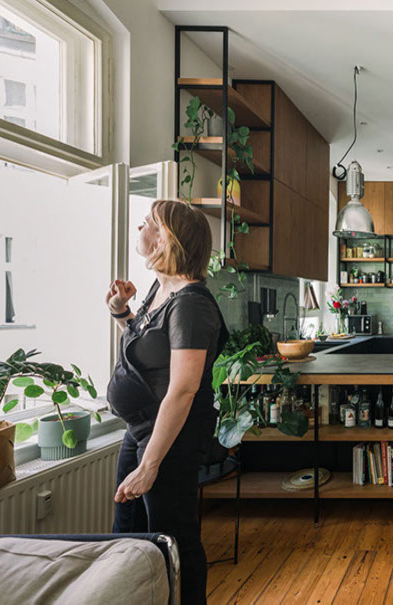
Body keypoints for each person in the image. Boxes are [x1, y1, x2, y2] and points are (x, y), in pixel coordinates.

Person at [106, 199, 228, 603]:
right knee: (130, 534)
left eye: (147, 223)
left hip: (170, 438)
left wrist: (150, 464)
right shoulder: (163, 289)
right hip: (142, 429)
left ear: (166, 238)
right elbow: (153, 354)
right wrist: (121, 312)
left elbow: (182, 389)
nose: (139, 228)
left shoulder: (191, 305)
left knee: (173, 536)